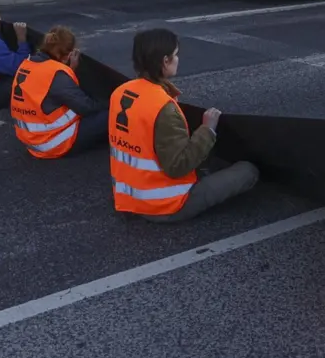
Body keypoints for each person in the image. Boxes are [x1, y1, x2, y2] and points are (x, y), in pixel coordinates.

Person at [108, 28, 258, 222]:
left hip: (130, 196)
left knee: (208, 161)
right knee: (248, 171)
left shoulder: (120, 92)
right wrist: (208, 129)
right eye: (175, 55)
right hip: (165, 204)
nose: (178, 59)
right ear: (165, 61)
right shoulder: (162, 108)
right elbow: (177, 167)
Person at [11, 26, 109, 159]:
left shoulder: (27, 63)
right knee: (110, 113)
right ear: (68, 55)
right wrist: (108, 101)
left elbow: (50, 88)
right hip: (51, 143)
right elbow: (87, 108)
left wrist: (69, 70)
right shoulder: (57, 74)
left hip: (30, 140)